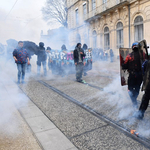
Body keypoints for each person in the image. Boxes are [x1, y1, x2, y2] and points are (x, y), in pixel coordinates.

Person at [122, 42, 144, 108]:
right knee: (137, 88)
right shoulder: (142, 55)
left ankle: (134, 101)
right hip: (140, 76)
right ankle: (134, 100)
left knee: (130, 89)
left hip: (132, 75)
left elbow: (125, 65)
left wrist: (123, 64)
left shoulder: (129, 56)